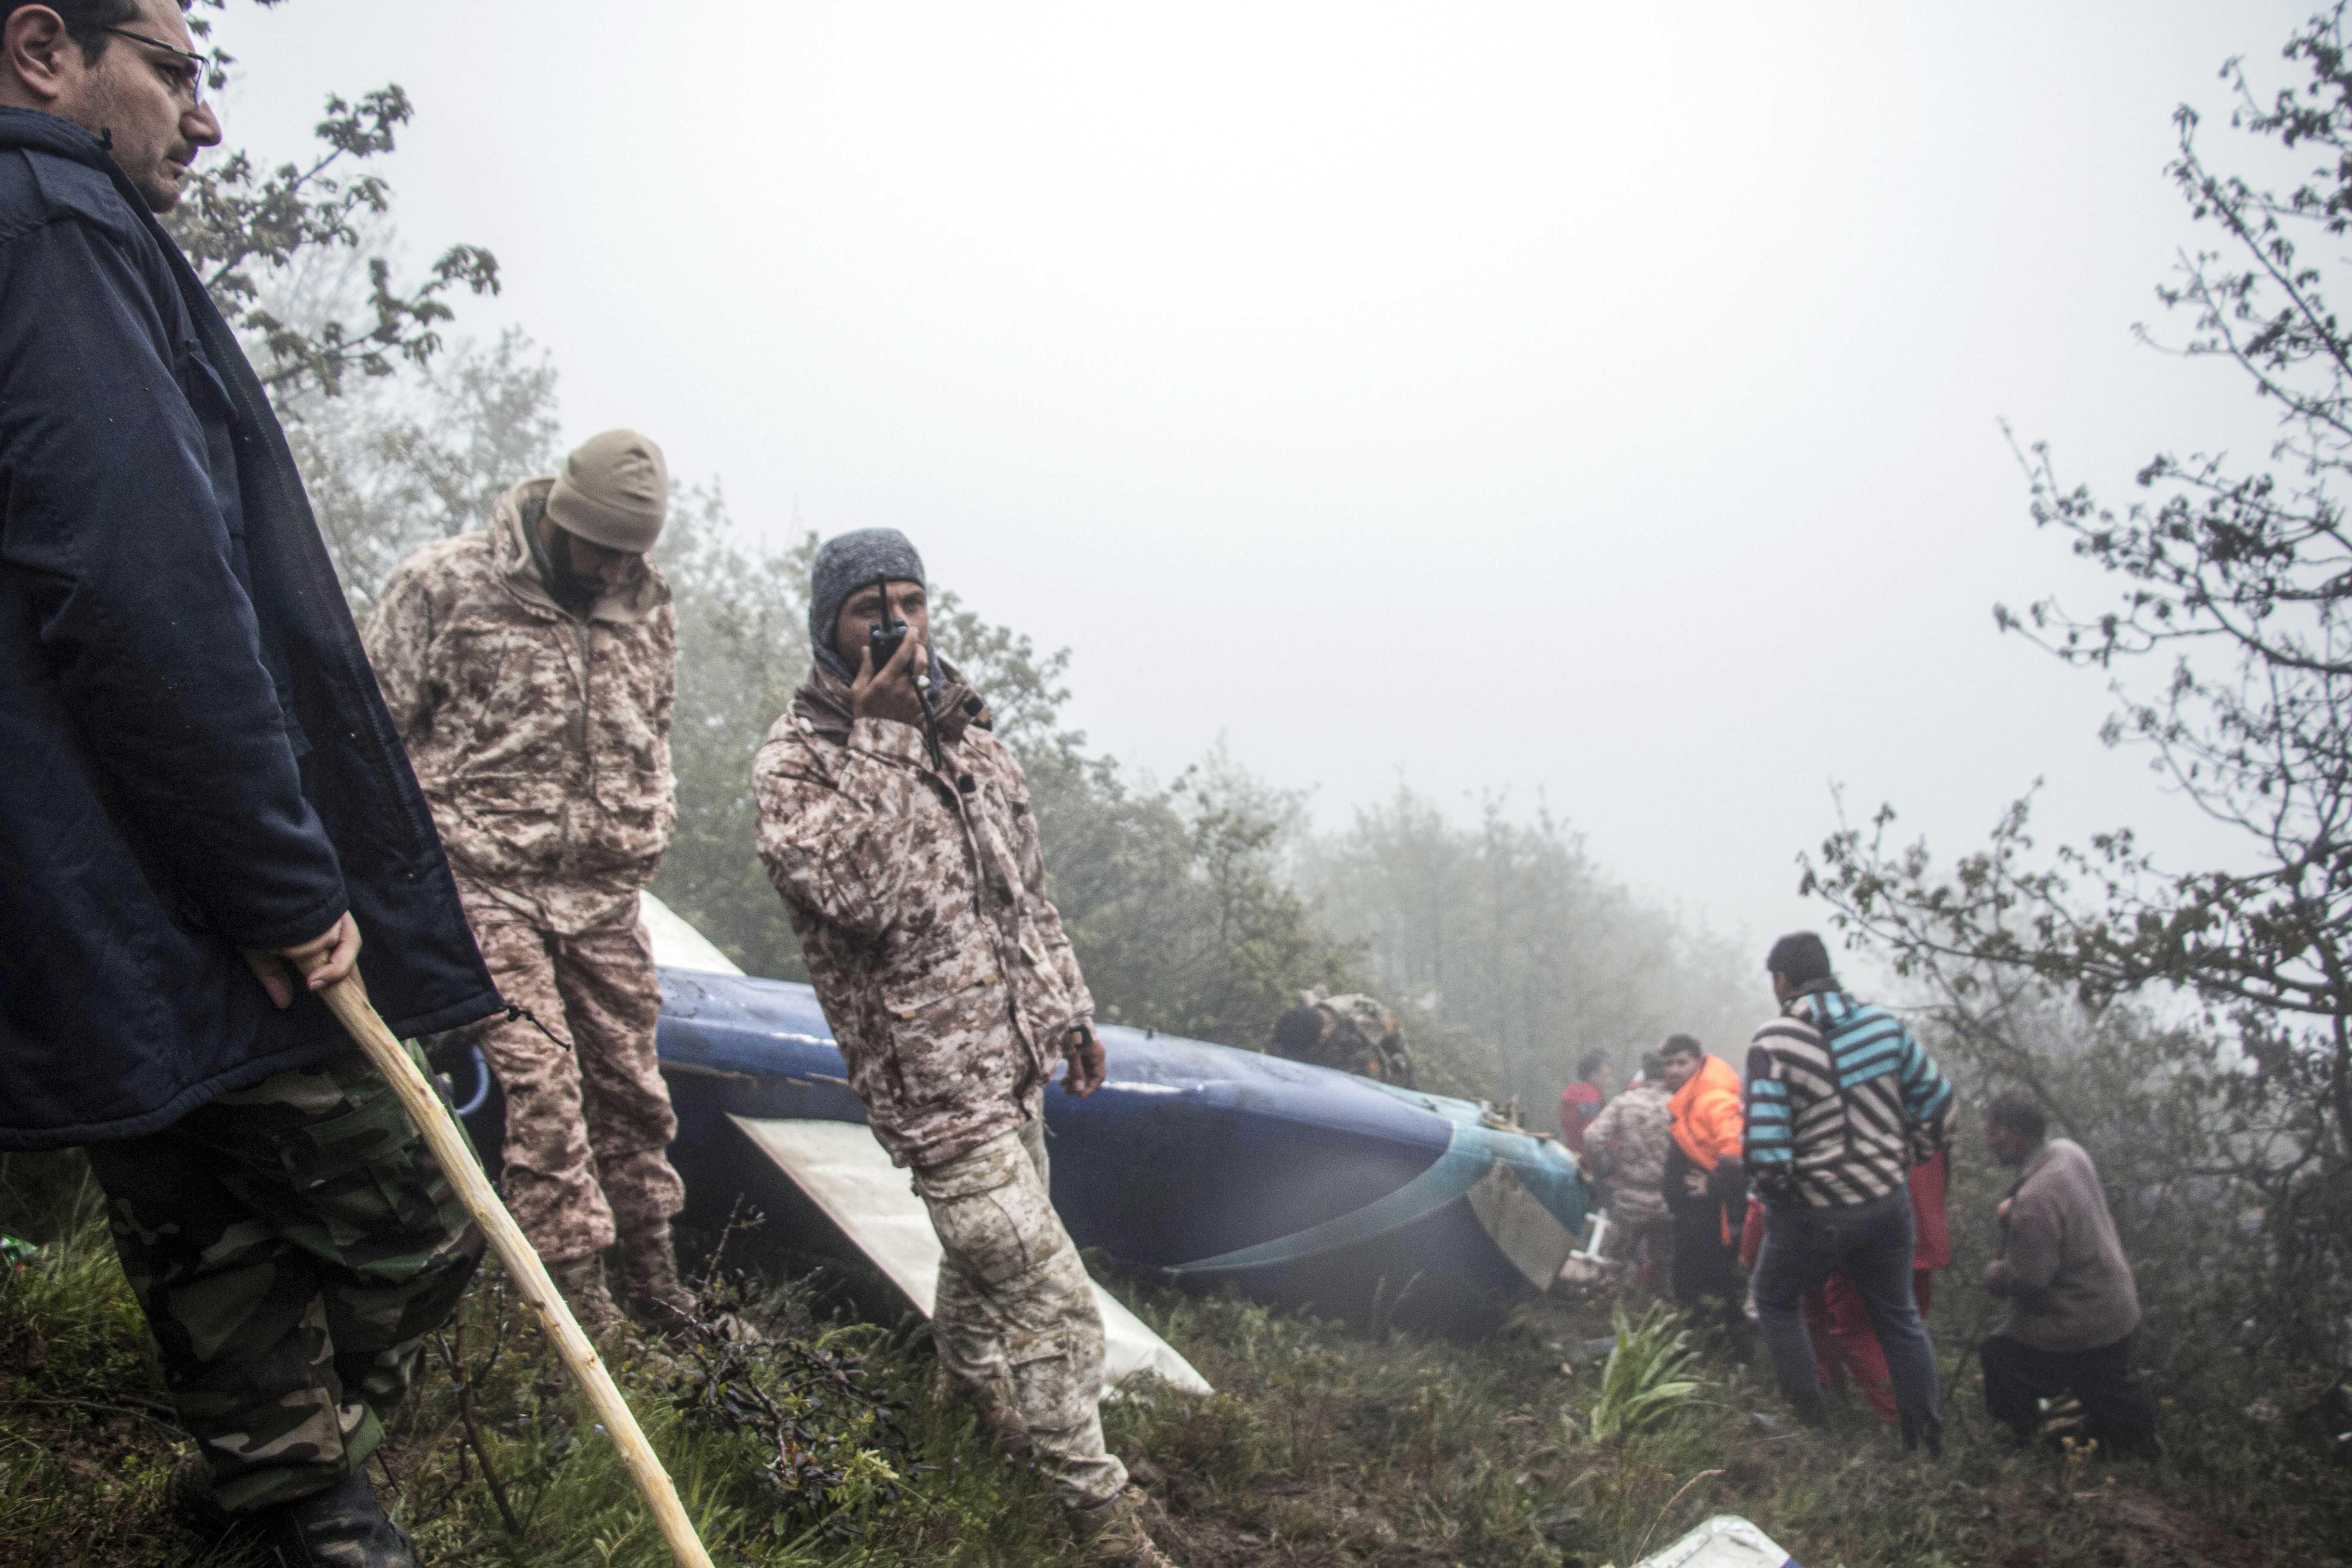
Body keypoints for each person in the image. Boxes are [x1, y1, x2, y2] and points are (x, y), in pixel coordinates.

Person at [0, 5, 501, 1562]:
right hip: (165, 864)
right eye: (175, 69)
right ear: (43, 51)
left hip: (87, 866)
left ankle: (282, 1497)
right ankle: (283, 1486)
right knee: (405, 1206)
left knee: (196, 1194)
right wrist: (278, 878)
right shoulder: (58, 222)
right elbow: (141, 584)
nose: (205, 120)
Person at [752, 530, 1177, 1568]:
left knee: (986, 1267)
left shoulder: (974, 740)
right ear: (830, 626)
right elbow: (857, 897)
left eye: (910, 601)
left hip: (1011, 1056)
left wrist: (1069, 1012)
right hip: (930, 1082)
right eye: (870, 609)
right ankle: (1102, 1523)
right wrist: (884, 737)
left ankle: (967, 1399)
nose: (896, 624)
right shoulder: (797, 762)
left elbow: (1023, 895)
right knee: (1053, 1302)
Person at [364, 430, 692, 1344]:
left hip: (603, 896)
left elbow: (654, 726)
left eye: (632, 553)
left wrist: (650, 816)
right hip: (483, 877)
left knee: (634, 1092)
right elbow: (369, 733)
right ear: (559, 518)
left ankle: (658, 1289)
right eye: (601, 549)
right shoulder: (444, 586)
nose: (615, 569)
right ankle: (577, 1311)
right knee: (544, 1085)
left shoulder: (646, 605)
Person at [1743, 932, 1951, 1455]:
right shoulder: (1884, 1027)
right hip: (1886, 1204)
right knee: (1899, 1318)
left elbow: (1767, 1153)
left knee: (1776, 1300)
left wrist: (1784, 1204)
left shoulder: (1774, 1042)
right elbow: (1939, 1103)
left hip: (1815, 1211)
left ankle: (1812, 1430)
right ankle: (1926, 1442)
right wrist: (1908, 1156)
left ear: (1783, 981)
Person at [1979, 1090, 2158, 1459]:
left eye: (1994, 1134)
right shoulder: (2067, 1153)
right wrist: (2016, 1210)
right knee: (2110, 1394)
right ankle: (2131, 1447)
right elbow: (2059, 1207)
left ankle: (2027, 1447)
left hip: (2081, 1320)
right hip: (2116, 1304)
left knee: (1999, 1355)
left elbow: (2030, 1280)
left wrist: (1995, 1275)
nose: (1989, 1143)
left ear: (2018, 1136)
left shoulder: (2035, 1199)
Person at [1739, 1146, 1950, 1427]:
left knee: (1855, 1328)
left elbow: (1767, 1193)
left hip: (1855, 1226)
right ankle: (1912, 1415)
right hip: (1920, 1231)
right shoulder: (1907, 1122)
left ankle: (1897, 1420)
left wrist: (1752, 1251)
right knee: (1904, 1324)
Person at [1658, 1033, 1745, 1324]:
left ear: (1698, 1063)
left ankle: (1721, 1340)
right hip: (1695, 1214)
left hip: (1714, 1214)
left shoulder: (1714, 1098)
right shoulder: (1687, 1100)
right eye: (1668, 1064)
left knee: (1713, 1286)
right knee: (1695, 1284)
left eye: (1681, 1063)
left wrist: (1714, 1183)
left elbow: (1737, 1149)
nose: (1674, 1070)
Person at [1581, 1052, 1674, 1288]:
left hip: (1630, 1196)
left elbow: (1592, 1137)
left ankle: (1612, 1305)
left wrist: (1606, 1168)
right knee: (1665, 1271)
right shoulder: (1679, 1104)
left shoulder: (1625, 1102)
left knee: (1614, 1268)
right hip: (1667, 1199)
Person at [1269, 989, 1417, 1087]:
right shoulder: (1294, 1026)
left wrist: (1408, 1080)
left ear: (1322, 1037)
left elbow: (1397, 1041)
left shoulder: (1365, 1016)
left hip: (1372, 1083)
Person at [1558, 1050, 1614, 1155]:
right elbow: (1595, 1139)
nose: (1610, 1081)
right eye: (1607, 1076)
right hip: (1586, 1159)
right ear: (1593, 1076)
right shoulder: (1589, 1098)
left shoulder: (1573, 1089)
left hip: (1573, 1153)